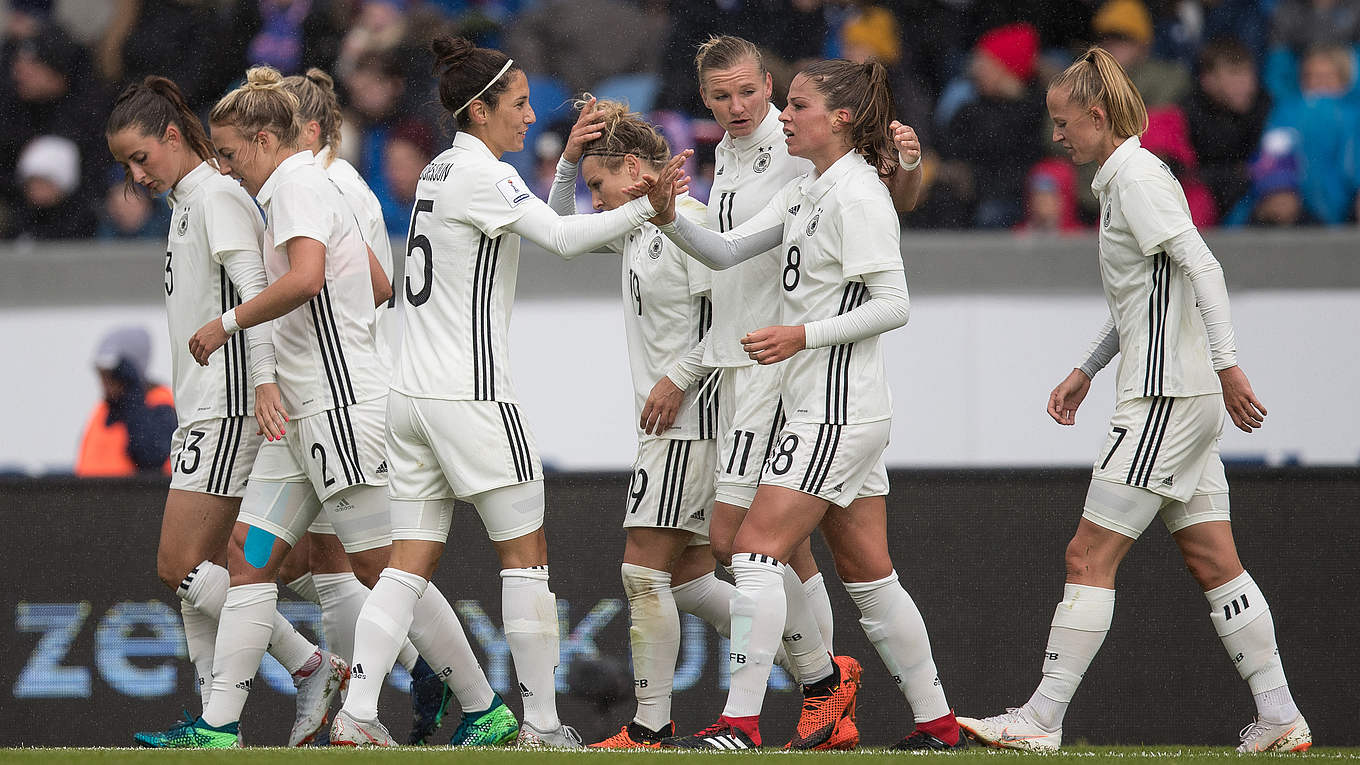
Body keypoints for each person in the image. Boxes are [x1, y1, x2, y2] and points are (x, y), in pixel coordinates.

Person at [332, 35, 686, 749]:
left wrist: (567, 165)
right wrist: (652, 205)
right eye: (519, 104)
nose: (529, 116)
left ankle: (357, 716)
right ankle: (542, 726)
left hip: (411, 395)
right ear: (479, 109)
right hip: (473, 396)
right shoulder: (483, 176)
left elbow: (543, 225)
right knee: (526, 558)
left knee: (406, 566)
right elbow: (564, 240)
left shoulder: (440, 170)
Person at [956, 47, 1310, 754]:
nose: (1057, 135)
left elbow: (1205, 268)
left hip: (1164, 398)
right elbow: (1143, 298)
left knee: (1087, 555)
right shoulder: (1126, 179)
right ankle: (1280, 714)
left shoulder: (1139, 179)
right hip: (1183, 395)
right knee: (1215, 561)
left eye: (1064, 123)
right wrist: (1087, 368)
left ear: (1098, 116)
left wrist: (1229, 366)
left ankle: (1041, 718)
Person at [135, 66, 497, 749]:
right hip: (298, 415)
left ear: (266, 139)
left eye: (231, 153)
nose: (225, 168)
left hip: (338, 408)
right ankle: (218, 726)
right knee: (248, 558)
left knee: (382, 566)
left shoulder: (299, 186)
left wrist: (229, 323)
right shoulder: (308, 186)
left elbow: (304, 279)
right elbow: (375, 280)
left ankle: (484, 705)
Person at [650, 57, 962, 752]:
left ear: (840, 118)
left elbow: (894, 304)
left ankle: (741, 723)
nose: (784, 116)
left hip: (835, 408)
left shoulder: (858, 195)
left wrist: (802, 334)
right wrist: (666, 216)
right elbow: (726, 251)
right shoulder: (808, 190)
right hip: (828, 405)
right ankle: (938, 724)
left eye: (797, 105)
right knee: (869, 576)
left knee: (754, 551)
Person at [103, 76, 349, 749]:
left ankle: (311, 665)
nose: (136, 175)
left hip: (229, 408)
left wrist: (263, 384)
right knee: (209, 568)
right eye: (125, 165)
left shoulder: (216, 196)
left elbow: (257, 293)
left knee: (178, 565)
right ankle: (217, 726)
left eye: (141, 157)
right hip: (205, 408)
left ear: (172, 136)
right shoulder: (189, 201)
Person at [544, 98, 726, 749]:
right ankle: (818, 669)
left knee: (643, 574)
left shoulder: (691, 223)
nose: (594, 199)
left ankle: (650, 726)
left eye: (599, 183)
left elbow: (733, 314)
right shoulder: (638, 225)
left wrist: (679, 376)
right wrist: (569, 162)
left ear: (632, 167)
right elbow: (559, 233)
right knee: (691, 582)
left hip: (687, 423)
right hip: (673, 425)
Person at [277, 67, 451, 746]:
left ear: (303, 129)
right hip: (321, 394)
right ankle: (387, 677)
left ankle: (438, 679)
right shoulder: (331, 183)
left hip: (344, 394)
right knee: (316, 560)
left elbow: (376, 286)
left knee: (361, 562)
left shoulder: (328, 187)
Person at [75, 325, 175, 476]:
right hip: (90, 492)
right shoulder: (102, 411)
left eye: (111, 374)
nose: (104, 382)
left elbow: (151, 456)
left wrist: (132, 396)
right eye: (101, 374)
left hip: (137, 493)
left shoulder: (161, 406)